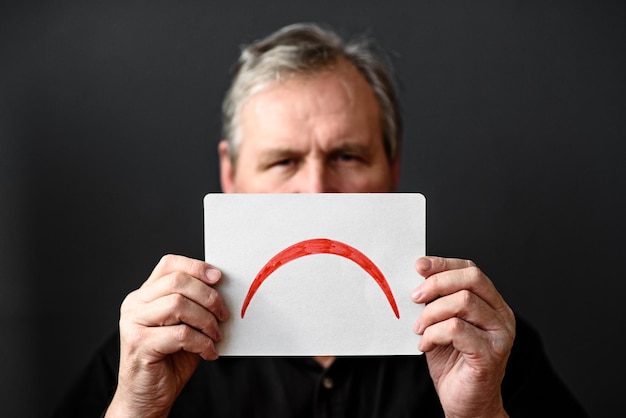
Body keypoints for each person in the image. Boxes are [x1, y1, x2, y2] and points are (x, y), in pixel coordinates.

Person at [54, 22, 588, 417]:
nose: (315, 188)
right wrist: (135, 407)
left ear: (392, 168)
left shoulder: (481, 342)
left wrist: (480, 410)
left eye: (348, 156)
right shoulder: (150, 347)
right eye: (283, 160)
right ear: (231, 175)